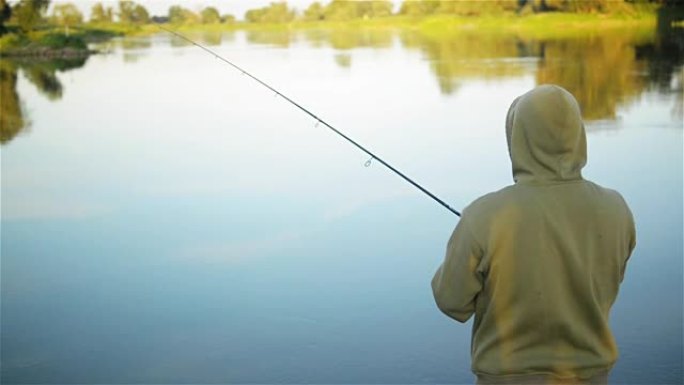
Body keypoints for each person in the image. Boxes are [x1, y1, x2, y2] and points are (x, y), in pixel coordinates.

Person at [432, 84, 636, 385]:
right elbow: (607, 281)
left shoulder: (484, 215)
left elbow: (451, 301)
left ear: (518, 138)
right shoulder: (616, 208)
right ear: (578, 135)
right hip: (593, 377)